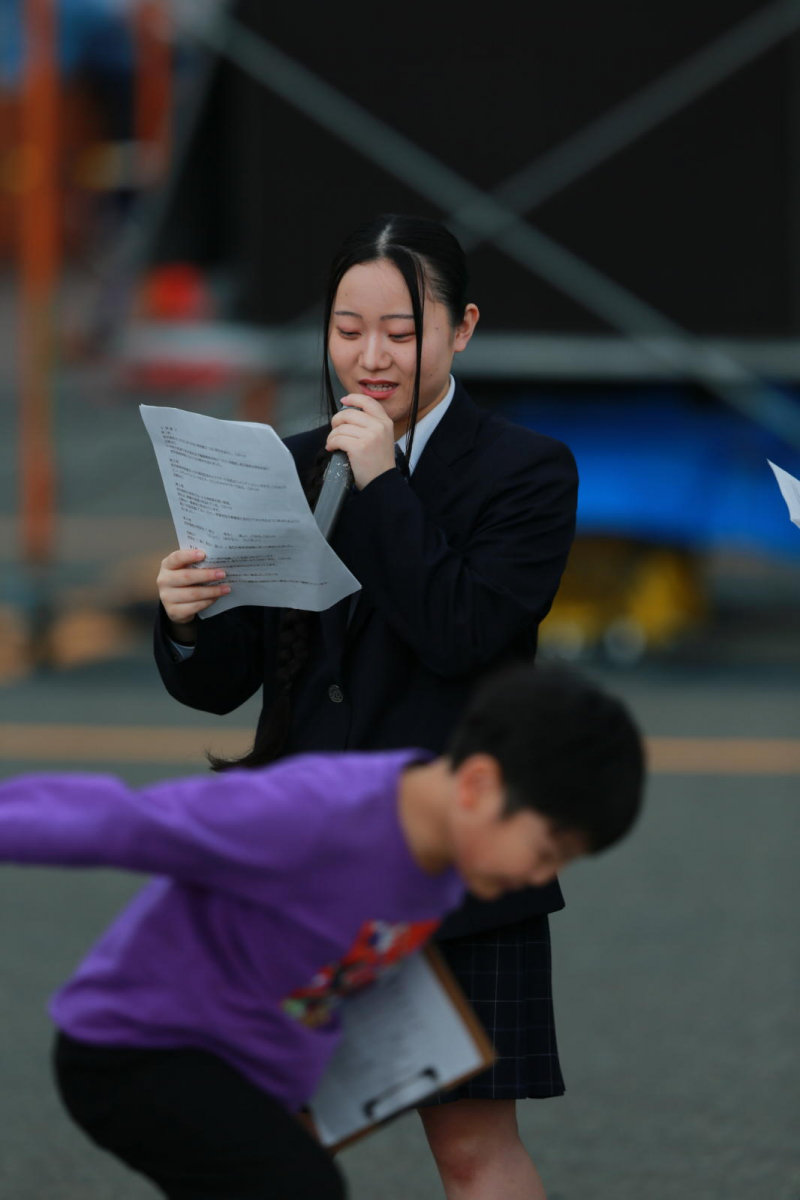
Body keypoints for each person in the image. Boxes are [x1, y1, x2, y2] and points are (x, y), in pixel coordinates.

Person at [154, 213, 579, 1198]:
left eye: (401, 329)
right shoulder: (285, 463)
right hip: (304, 861)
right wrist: (181, 619)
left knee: (470, 1148)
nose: (370, 355)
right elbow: (226, 683)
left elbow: (462, 632)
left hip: (456, 862)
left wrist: (382, 480)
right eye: (348, 329)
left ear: (460, 329)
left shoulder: (523, 471)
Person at [0, 665, 644, 1200]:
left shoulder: (447, 869)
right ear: (477, 784)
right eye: (548, 846)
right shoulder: (314, 814)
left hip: (245, 1068)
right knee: (299, 1191)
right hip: (135, 1046)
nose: (542, 874)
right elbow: (125, 823)